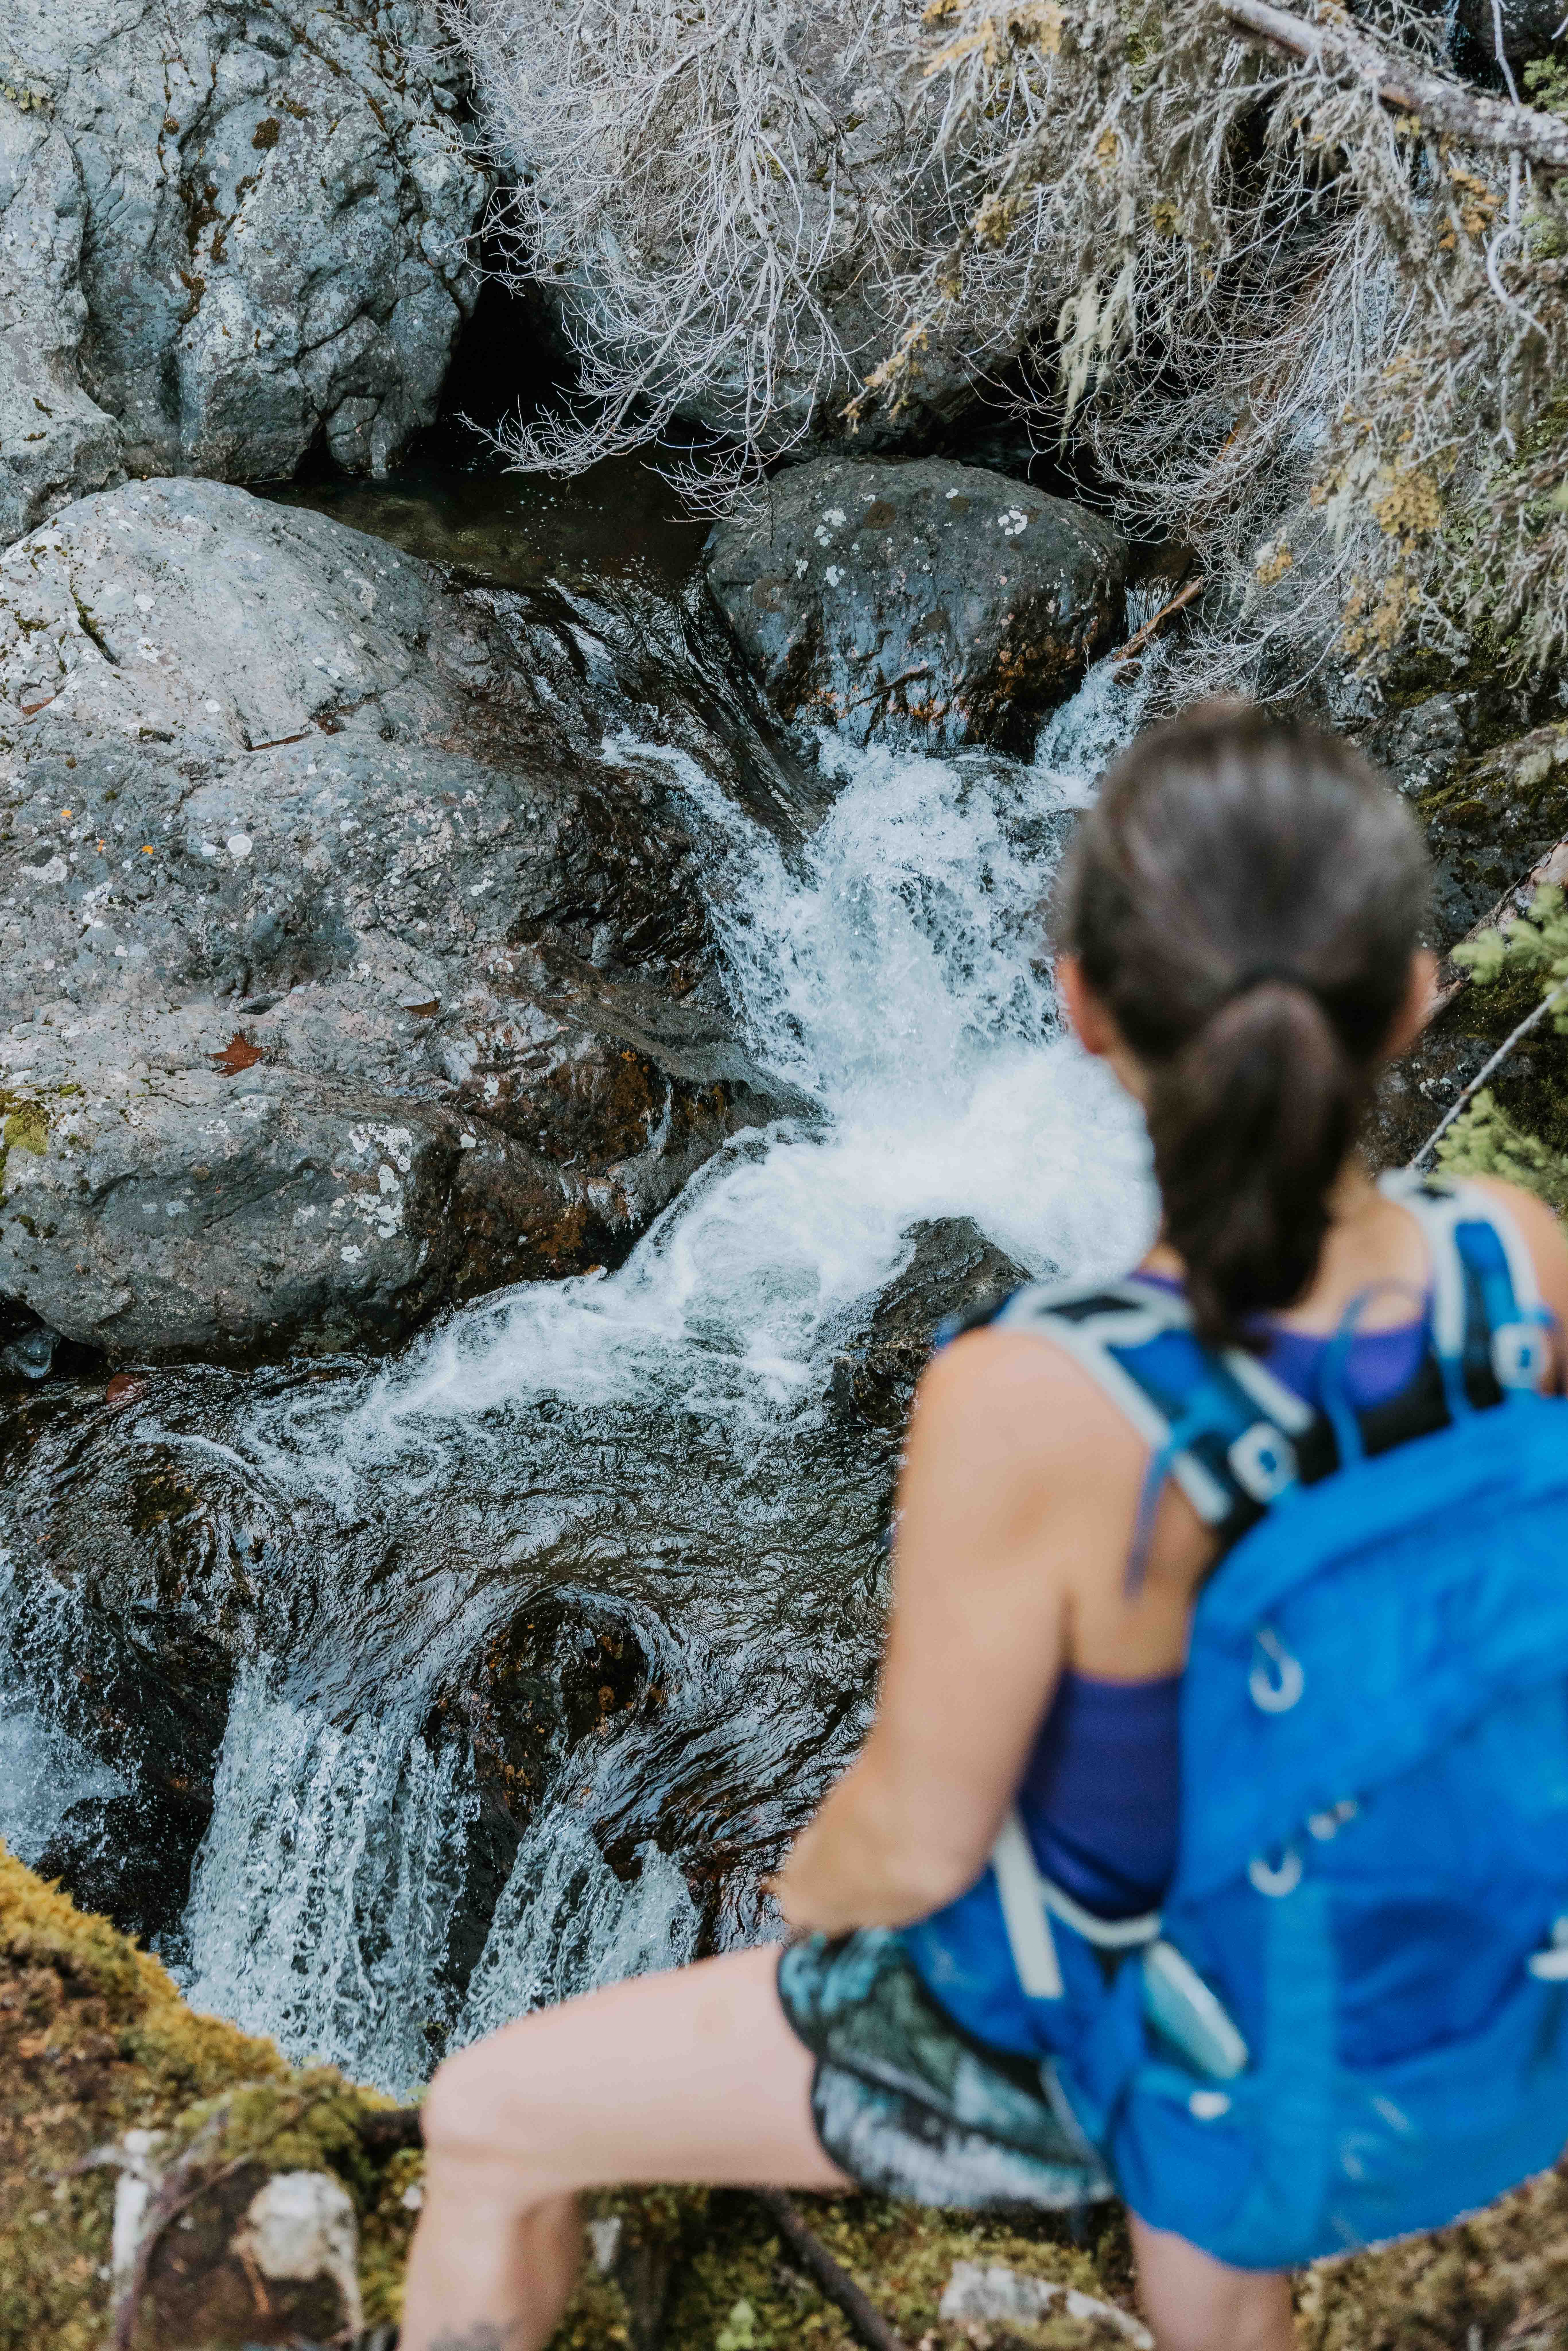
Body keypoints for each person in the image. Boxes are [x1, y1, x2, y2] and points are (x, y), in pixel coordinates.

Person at [400, 705, 1568, 2351]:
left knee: (488, 2120)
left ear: (1080, 1009)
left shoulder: (1050, 1397)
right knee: (1219, 2143)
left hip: (1126, 2035)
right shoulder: (1514, 1267)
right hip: (1453, 1983)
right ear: (1414, 996)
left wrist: (807, 1888)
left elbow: (920, 1847)